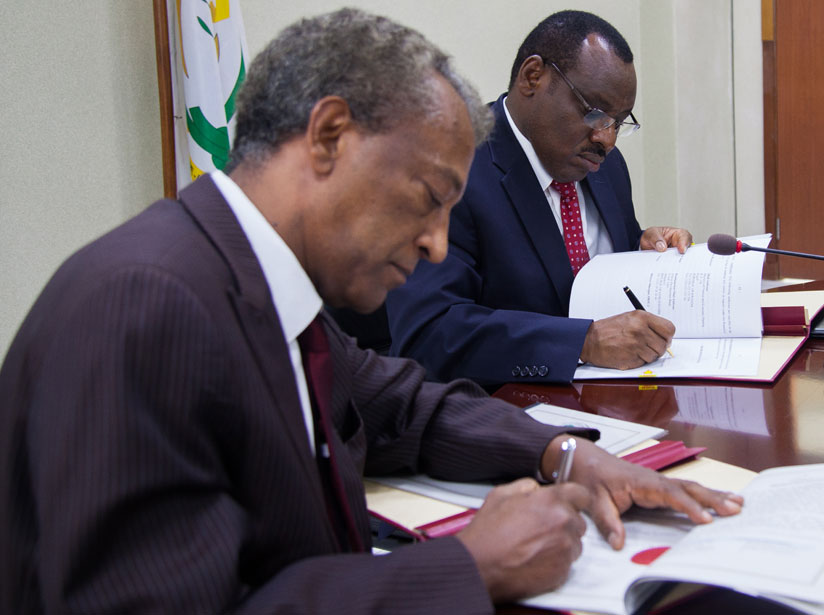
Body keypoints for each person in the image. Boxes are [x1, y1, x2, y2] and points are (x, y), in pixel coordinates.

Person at [0, 8, 742, 613]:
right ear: (327, 137)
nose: (435, 244)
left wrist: (567, 452)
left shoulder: (261, 285)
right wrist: (466, 569)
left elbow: (404, 405)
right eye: (427, 199)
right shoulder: (144, 303)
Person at [386, 10, 693, 387]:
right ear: (533, 77)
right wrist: (582, 343)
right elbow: (429, 333)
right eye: (595, 113)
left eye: (619, 121)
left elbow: (583, 270)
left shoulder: (606, 168)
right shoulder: (452, 169)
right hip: (505, 414)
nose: (607, 139)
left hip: (618, 394)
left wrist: (643, 249)